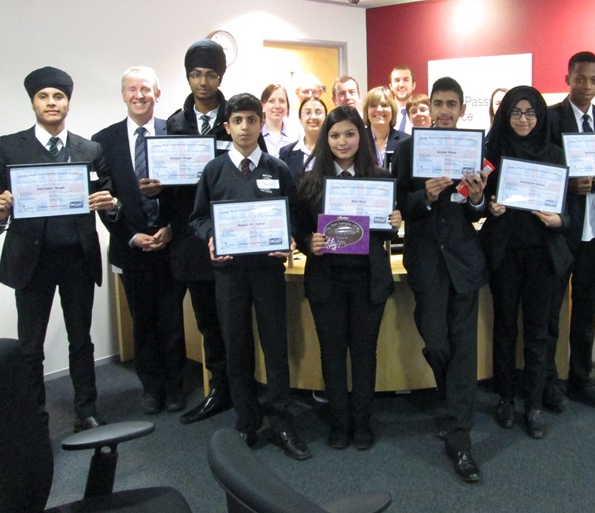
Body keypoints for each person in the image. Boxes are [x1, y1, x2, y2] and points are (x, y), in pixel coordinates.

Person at [0, 66, 120, 432]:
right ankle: (33, 415)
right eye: (44, 96)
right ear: (33, 102)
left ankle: (86, 410)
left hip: (77, 258)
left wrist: (113, 205)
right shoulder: (10, 146)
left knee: (81, 340)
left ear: (68, 103)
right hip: (32, 261)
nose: (52, 102)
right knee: (30, 345)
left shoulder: (89, 149)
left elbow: (108, 199)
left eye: (58, 96)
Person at [190, 93, 311, 460]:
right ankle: (246, 420)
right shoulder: (214, 170)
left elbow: (295, 216)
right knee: (236, 347)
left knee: (275, 346)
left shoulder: (278, 169)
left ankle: (281, 422)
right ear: (227, 127)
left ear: (262, 123)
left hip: (268, 271)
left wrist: (289, 236)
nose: (245, 128)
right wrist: (210, 237)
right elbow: (197, 218)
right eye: (237, 121)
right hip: (228, 274)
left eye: (251, 120)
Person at [392, 77, 488, 484]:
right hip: (427, 261)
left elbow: (474, 211)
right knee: (436, 343)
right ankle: (449, 404)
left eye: (452, 104)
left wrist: (478, 198)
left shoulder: (474, 150)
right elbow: (398, 204)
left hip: (464, 262)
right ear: (428, 107)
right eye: (439, 104)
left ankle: (459, 438)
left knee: (463, 349)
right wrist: (425, 199)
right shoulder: (410, 149)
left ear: (462, 109)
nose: (445, 111)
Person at [294, 106, 402, 450]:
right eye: (335, 135)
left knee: (365, 353)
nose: (343, 142)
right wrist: (309, 242)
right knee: (332, 352)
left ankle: (363, 422)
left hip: (368, 279)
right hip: (327, 279)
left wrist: (394, 224)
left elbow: (384, 233)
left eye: (350, 134)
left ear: (362, 137)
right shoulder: (310, 182)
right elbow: (298, 228)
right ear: (326, 139)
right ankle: (340, 423)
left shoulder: (380, 178)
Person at [92, 66, 187, 415]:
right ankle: (151, 387)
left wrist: (172, 228)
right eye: (132, 89)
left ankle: (176, 387)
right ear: (123, 95)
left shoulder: (175, 133)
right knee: (143, 322)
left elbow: (188, 192)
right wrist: (131, 236)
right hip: (131, 249)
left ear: (157, 95)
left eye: (146, 89)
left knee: (173, 321)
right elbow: (102, 198)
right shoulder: (103, 140)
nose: (139, 95)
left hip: (169, 245)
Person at [481, 86, 572, 439]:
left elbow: (570, 209)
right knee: (504, 328)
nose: (523, 119)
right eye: (516, 112)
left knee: (537, 331)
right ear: (505, 115)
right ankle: (505, 397)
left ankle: (533, 403)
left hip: (542, 255)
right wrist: (488, 205)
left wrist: (559, 220)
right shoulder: (491, 152)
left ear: (540, 116)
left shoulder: (553, 153)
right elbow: (472, 197)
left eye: (530, 112)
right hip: (504, 253)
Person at [546, 51, 595, 412]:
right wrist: (567, 186)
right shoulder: (550, 118)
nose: (587, 86)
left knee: (587, 312)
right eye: (580, 78)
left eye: (594, 79)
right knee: (550, 311)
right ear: (567, 79)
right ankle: (549, 381)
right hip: (562, 232)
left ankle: (581, 380)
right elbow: (543, 172)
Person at [166, 39, 233, 424]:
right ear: (188, 77)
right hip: (193, 240)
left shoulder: (237, 116)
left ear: (220, 76)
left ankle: (240, 388)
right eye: (195, 74)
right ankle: (218, 389)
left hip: (235, 235)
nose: (203, 82)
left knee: (236, 319)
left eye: (210, 74)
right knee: (207, 321)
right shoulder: (173, 125)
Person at [279, 96, 328, 184]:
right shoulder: (286, 153)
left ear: (326, 118)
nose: (313, 117)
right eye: (307, 112)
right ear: (300, 119)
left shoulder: (333, 151)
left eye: (318, 112)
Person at [363, 86, 408, 169]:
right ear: (366, 111)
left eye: (384, 105)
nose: (379, 110)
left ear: (393, 110)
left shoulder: (406, 141)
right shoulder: (358, 139)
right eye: (373, 105)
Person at [261, 83, 299, 155]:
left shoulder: (296, 135)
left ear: (287, 106)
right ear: (263, 105)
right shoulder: (256, 135)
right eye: (271, 101)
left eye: (282, 101)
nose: (277, 106)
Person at [390, 65, 416, 134]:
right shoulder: (386, 113)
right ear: (391, 87)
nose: (401, 85)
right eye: (397, 80)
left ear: (413, 85)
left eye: (406, 80)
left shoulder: (421, 113)